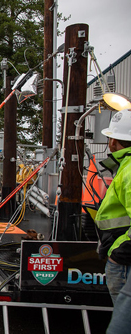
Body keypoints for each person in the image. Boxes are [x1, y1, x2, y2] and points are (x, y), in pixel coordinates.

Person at [94, 109, 131, 303]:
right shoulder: (124, 166)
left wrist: (119, 252)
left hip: (124, 260)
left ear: (114, 141)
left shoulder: (129, 169)